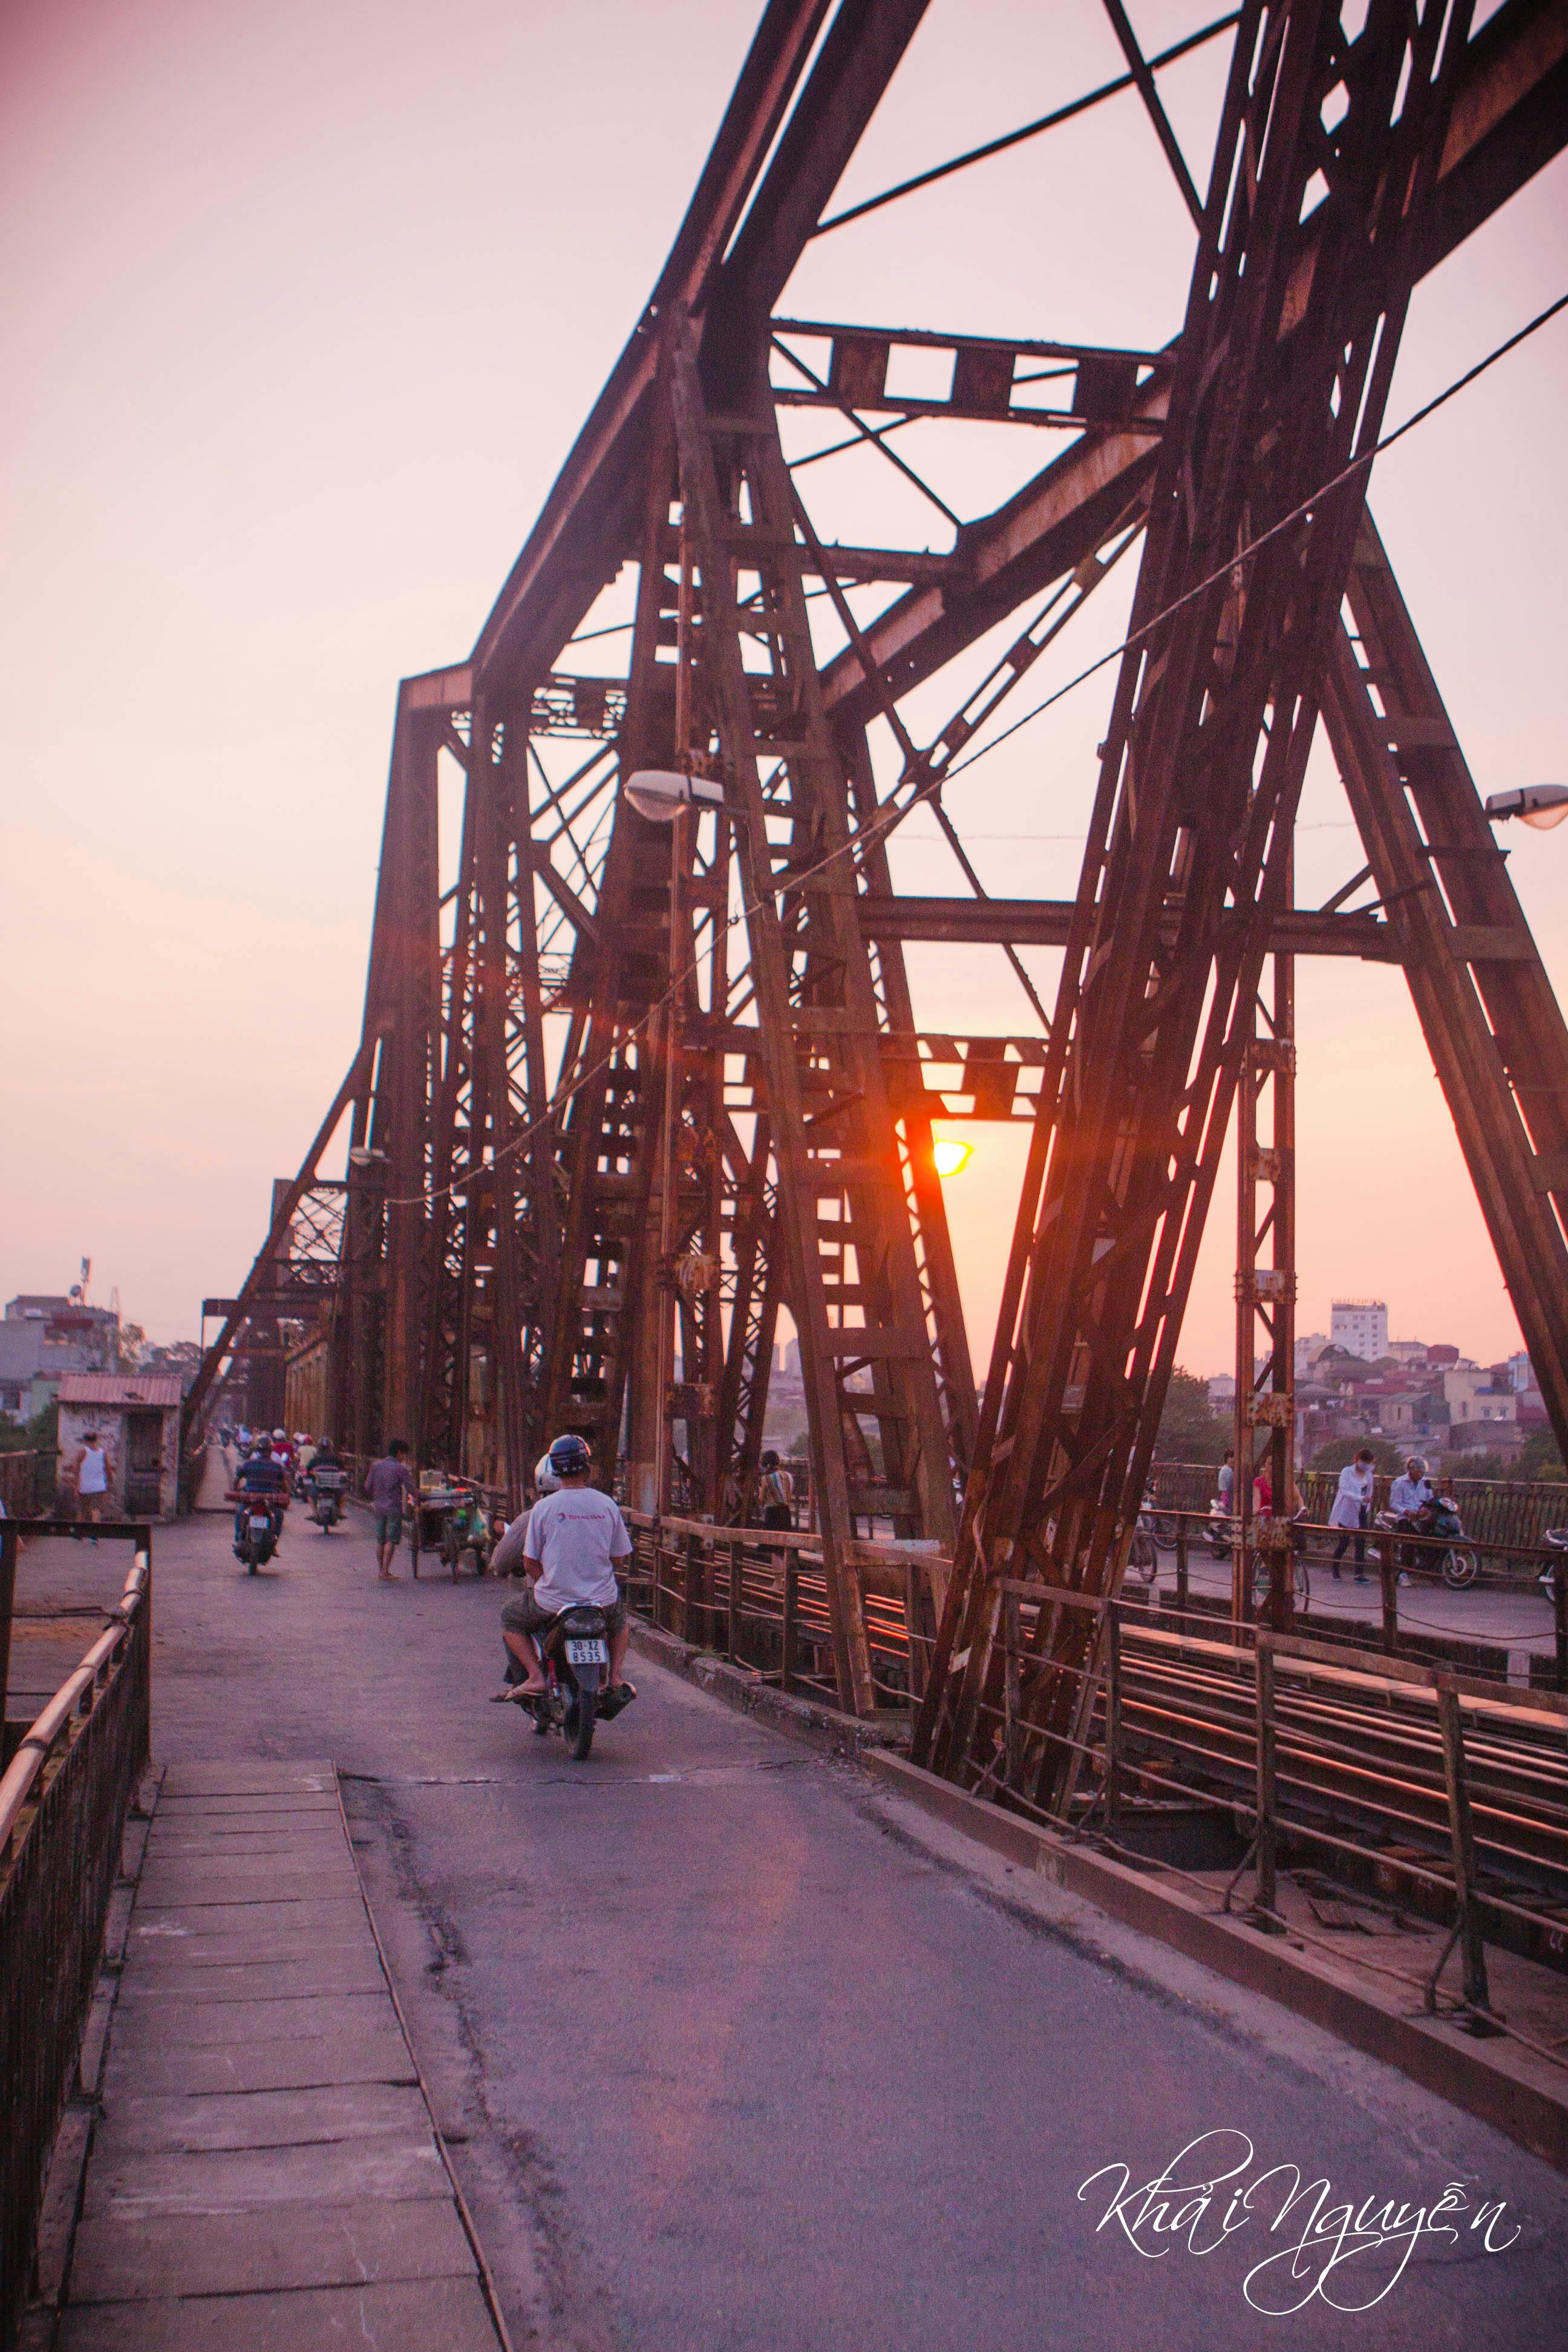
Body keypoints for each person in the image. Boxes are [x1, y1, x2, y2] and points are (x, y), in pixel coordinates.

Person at [492, 1434, 633, 1701]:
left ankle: (535, 1677)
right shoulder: (607, 1505)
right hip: (601, 1600)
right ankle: (615, 1677)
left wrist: (552, 1581)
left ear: (555, 1470)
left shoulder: (543, 1508)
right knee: (619, 1622)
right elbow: (619, 1559)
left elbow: (529, 1563)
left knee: (510, 1617)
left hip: (553, 1601)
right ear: (587, 1467)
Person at [365, 1439, 416, 1579]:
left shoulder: (376, 1466)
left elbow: (368, 1486)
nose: (404, 1458)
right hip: (393, 1507)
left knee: (380, 1540)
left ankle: (381, 1570)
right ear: (399, 1453)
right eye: (404, 1455)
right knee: (391, 1540)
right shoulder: (400, 1468)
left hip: (379, 1507)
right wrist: (421, 1496)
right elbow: (411, 1488)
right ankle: (385, 1572)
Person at [1329, 1448, 1377, 1583]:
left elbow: (1369, 1491)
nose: (1366, 1465)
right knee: (1344, 1542)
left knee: (1360, 1542)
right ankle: (1335, 1568)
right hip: (1347, 1510)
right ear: (1357, 1459)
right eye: (1364, 1462)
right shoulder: (1347, 1472)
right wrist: (1359, 1498)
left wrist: (1366, 1503)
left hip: (1361, 1510)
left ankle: (1359, 1573)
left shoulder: (1368, 1475)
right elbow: (1344, 1490)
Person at [233, 1439, 286, 1554]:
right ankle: (274, 1543)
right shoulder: (277, 1467)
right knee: (279, 1515)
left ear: (258, 1451)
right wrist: (286, 1494)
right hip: (270, 1502)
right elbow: (285, 1487)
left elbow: (236, 1481)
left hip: (250, 1500)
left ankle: (238, 1539)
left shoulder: (248, 1464)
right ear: (271, 1451)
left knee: (240, 1512)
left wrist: (235, 1491)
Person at [71, 1429, 114, 1540]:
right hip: (99, 1487)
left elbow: (76, 1470)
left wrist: (76, 1486)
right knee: (96, 1510)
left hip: (84, 1487)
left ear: (85, 1441)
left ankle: (78, 1533)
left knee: (82, 1511)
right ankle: (94, 1534)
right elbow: (108, 1470)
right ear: (97, 1440)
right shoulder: (103, 1453)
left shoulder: (82, 1452)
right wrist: (110, 1482)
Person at [758, 1449, 795, 1532]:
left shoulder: (766, 1479)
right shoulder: (789, 1476)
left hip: (772, 1516)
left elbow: (762, 1500)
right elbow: (788, 1497)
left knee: (768, 1544)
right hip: (786, 1515)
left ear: (767, 1465)